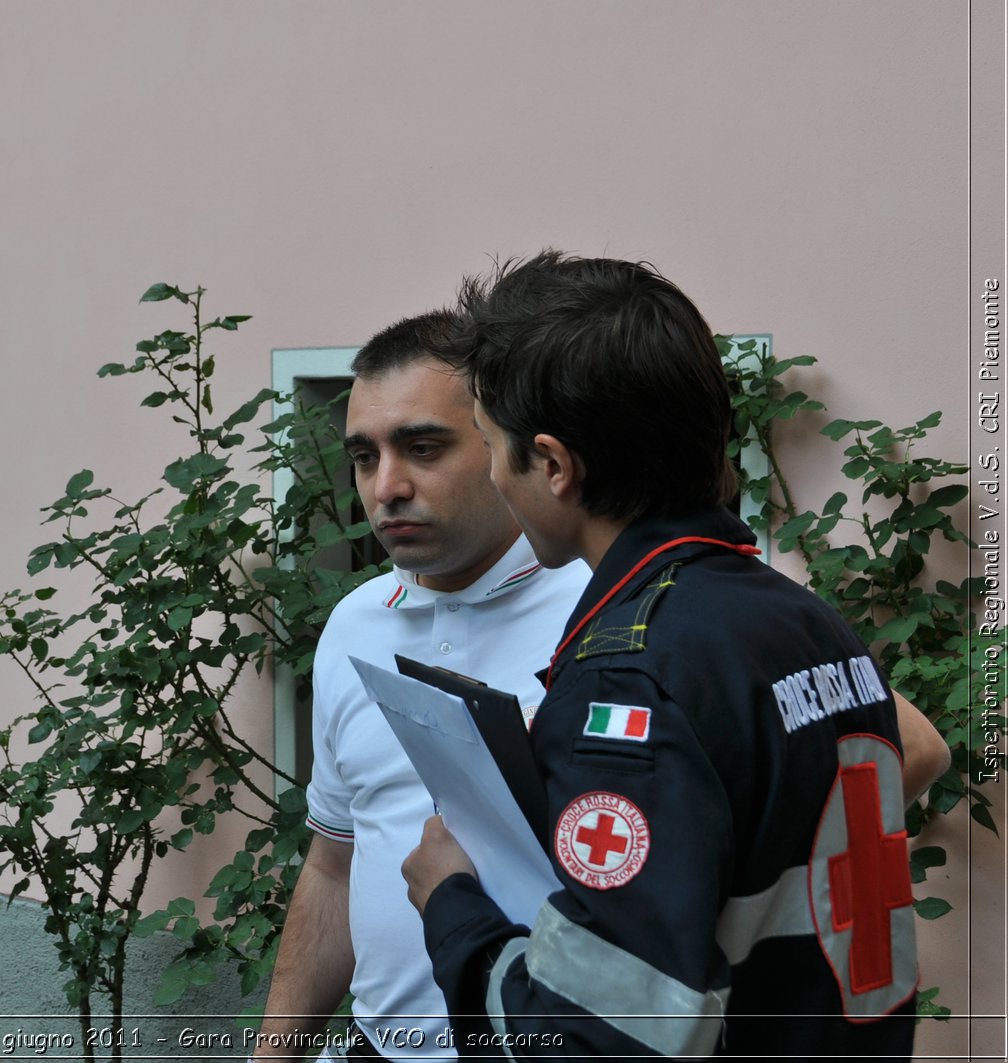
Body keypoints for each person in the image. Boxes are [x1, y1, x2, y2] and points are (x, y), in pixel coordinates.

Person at [402, 252, 931, 1057]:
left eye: (489, 445)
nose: (498, 480)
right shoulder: (804, 620)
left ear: (552, 464)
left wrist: (452, 907)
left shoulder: (633, 675)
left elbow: (597, 1039)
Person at [251, 312, 593, 1061]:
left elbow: (902, 745)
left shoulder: (613, 607)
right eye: (364, 456)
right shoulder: (353, 624)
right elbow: (334, 866)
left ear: (505, 446)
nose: (387, 485)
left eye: (423, 446)